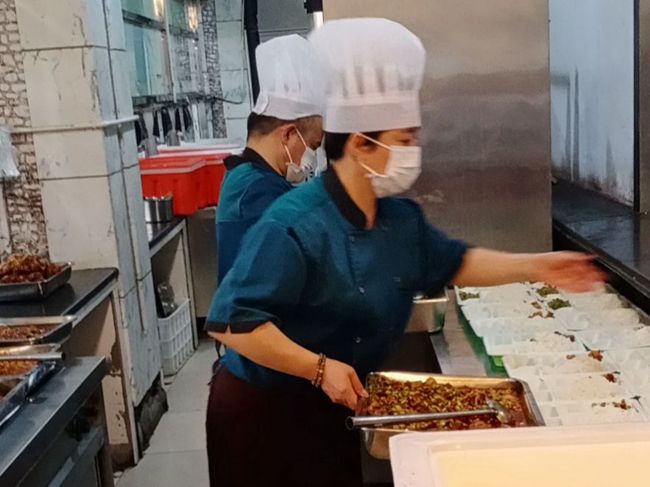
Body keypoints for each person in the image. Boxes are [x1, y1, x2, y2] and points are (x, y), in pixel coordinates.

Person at [204, 18, 605, 487]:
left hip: (332, 411)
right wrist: (318, 369)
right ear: (361, 144)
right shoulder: (295, 222)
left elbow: (457, 262)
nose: (414, 150)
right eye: (404, 140)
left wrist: (539, 267)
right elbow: (232, 322)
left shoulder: (399, 219)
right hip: (261, 416)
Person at [216, 34, 325, 283]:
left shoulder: (250, 179)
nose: (312, 158)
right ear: (288, 134)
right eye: (313, 146)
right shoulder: (256, 192)